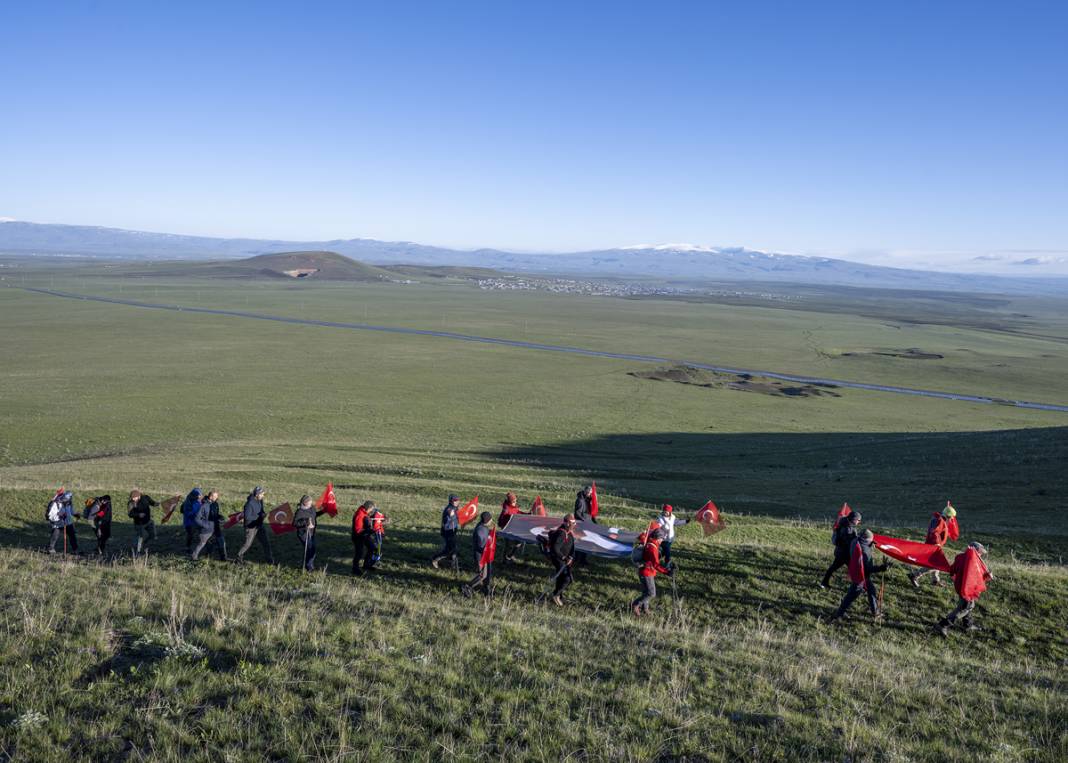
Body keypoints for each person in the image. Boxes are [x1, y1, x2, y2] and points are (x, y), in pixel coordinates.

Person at [828, 529, 894, 623]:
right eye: (871, 540)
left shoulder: (856, 540)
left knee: (871, 591)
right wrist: (881, 568)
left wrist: (869, 545)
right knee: (851, 596)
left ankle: (875, 612)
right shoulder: (864, 550)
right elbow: (867, 568)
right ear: (866, 539)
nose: (872, 542)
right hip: (860, 577)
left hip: (858, 573)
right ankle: (839, 614)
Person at [936, 542, 993, 637]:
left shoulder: (960, 557)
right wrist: (987, 576)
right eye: (980, 552)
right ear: (976, 551)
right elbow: (977, 575)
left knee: (968, 605)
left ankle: (968, 624)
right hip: (967, 589)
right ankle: (942, 625)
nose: (981, 554)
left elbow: (953, 569)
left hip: (960, 586)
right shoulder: (973, 561)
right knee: (965, 607)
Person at [909, 504, 957, 588]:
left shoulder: (940, 519)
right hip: (933, 546)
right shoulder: (939, 520)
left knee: (936, 562)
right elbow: (934, 532)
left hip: (934, 545)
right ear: (948, 516)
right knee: (934, 565)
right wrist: (937, 543)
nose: (951, 521)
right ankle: (914, 576)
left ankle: (935, 580)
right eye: (951, 518)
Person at [632, 527, 673, 616]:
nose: (662, 540)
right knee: (651, 593)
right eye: (662, 538)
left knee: (646, 592)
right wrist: (666, 572)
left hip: (644, 571)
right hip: (647, 573)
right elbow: (655, 564)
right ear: (658, 538)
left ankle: (645, 609)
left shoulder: (650, 544)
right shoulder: (652, 547)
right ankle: (636, 604)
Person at [820, 511, 862, 589]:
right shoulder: (847, 528)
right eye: (858, 520)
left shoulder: (844, 524)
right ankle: (858, 587)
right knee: (855, 570)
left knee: (833, 568)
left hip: (840, 552)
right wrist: (858, 539)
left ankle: (824, 583)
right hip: (845, 554)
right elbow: (849, 542)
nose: (859, 522)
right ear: (854, 519)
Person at [236, 486, 274, 564]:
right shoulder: (249, 504)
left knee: (266, 543)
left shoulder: (260, 501)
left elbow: (261, 510)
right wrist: (259, 517)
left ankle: (270, 561)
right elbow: (247, 517)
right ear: (257, 494)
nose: (263, 496)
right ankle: (238, 558)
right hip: (250, 527)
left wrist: (263, 514)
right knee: (247, 544)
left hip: (259, 525)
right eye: (262, 494)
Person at [462, 512, 495, 598]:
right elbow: (481, 544)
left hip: (485, 555)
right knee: (482, 575)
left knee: (486, 573)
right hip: (481, 556)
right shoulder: (481, 530)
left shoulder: (483, 526)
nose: (491, 520)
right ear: (487, 520)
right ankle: (468, 587)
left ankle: (486, 589)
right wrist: (488, 546)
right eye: (490, 519)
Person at [547, 514, 578, 606]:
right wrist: (564, 558)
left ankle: (560, 596)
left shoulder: (569, 532)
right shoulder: (561, 533)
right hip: (559, 559)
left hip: (566, 560)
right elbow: (555, 548)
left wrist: (571, 557)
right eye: (573, 523)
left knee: (561, 578)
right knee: (567, 579)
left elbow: (572, 547)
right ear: (568, 523)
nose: (575, 524)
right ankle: (556, 595)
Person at [293, 494, 327, 572]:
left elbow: (315, 515)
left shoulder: (311, 508)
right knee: (310, 549)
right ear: (305, 503)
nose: (311, 504)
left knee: (312, 549)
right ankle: (309, 567)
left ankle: (308, 564)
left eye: (311, 502)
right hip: (304, 534)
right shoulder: (299, 512)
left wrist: (323, 511)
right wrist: (305, 521)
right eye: (309, 503)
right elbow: (294, 523)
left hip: (311, 533)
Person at [430, 494, 461, 569]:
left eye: (457, 500)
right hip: (448, 532)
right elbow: (448, 520)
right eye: (455, 500)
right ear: (451, 501)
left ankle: (451, 563)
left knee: (452, 549)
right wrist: (452, 516)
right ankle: (435, 559)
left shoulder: (455, 508)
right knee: (450, 549)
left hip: (453, 531)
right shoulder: (449, 510)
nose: (456, 502)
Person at [191, 490, 223, 561]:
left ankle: (208, 556)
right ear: (210, 496)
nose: (216, 498)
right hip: (206, 530)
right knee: (202, 544)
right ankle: (194, 556)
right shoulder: (204, 506)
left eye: (217, 497)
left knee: (213, 542)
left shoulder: (215, 504)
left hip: (214, 527)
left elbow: (215, 515)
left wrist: (219, 517)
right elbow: (197, 519)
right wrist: (206, 525)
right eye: (215, 497)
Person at [47, 490, 79, 554]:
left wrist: (75, 514)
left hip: (68, 523)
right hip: (58, 524)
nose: (70, 499)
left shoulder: (69, 503)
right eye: (70, 497)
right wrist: (60, 517)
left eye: (70, 498)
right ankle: (50, 549)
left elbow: (71, 511)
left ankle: (75, 550)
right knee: (54, 536)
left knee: (72, 536)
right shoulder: (56, 504)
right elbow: (50, 516)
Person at [127, 490, 158, 554]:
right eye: (132, 498)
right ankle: (138, 552)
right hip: (139, 524)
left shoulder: (146, 498)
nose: (133, 499)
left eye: (134, 497)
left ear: (139, 496)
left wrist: (157, 504)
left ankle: (145, 545)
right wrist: (138, 515)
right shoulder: (131, 503)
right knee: (141, 538)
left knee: (152, 536)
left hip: (148, 521)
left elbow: (152, 503)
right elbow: (130, 514)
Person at [498, 492, 524, 561]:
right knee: (508, 545)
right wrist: (508, 519)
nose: (515, 502)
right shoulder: (506, 509)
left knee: (518, 542)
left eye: (516, 501)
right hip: (507, 529)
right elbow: (502, 520)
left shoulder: (514, 507)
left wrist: (528, 514)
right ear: (510, 502)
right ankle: (504, 559)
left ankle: (510, 555)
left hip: (514, 527)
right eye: (514, 501)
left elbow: (518, 512)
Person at [351, 500, 374, 576]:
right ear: (368, 508)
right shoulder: (359, 514)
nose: (372, 510)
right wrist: (370, 530)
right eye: (371, 509)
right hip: (358, 536)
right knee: (359, 553)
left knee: (371, 547)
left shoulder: (365, 512)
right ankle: (355, 569)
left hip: (365, 535)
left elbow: (367, 521)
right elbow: (358, 530)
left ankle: (366, 565)